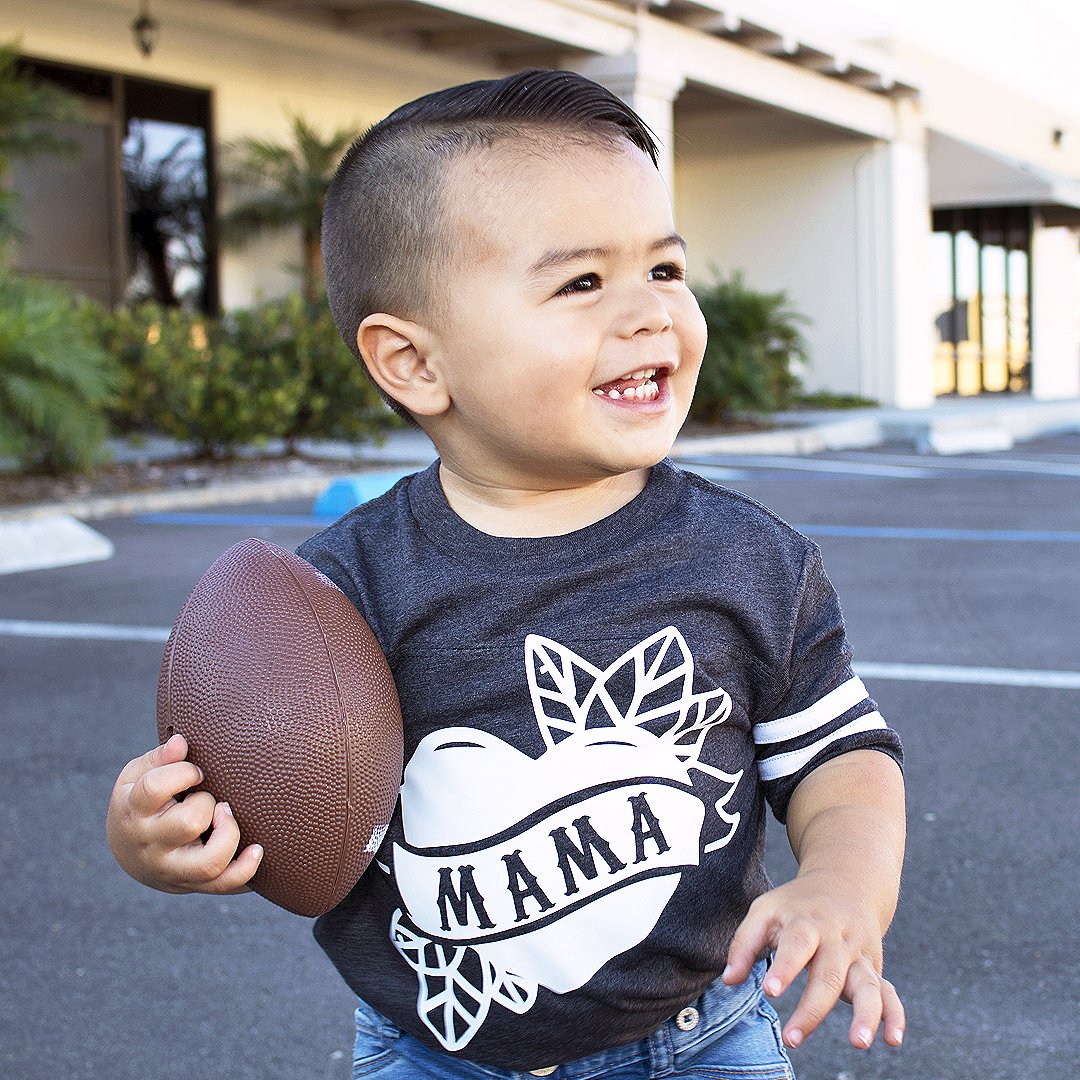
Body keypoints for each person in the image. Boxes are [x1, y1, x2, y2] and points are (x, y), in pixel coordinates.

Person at [106, 69, 906, 1079]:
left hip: (702, 1035)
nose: (651, 312)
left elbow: (843, 761)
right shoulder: (337, 595)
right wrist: (157, 834)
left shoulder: (749, 560)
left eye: (664, 269)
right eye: (582, 282)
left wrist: (847, 883)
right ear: (413, 364)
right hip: (433, 1051)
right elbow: (234, 774)